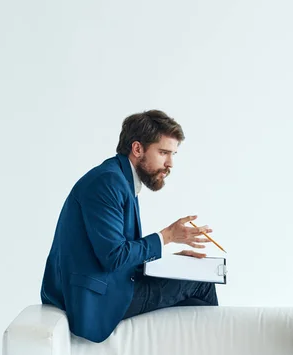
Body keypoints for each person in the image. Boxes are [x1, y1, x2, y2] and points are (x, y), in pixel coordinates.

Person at [40, 110, 218, 343]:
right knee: (201, 283)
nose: (170, 164)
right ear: (137, 149)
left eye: (173, 154)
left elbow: (117, 251)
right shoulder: (107, 182)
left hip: (106, 284)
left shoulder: (119, 179)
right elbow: (114, 257)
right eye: (163, 153)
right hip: (93, 299)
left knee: (193, 274)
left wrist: (171, 264)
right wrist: (166, 236)